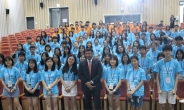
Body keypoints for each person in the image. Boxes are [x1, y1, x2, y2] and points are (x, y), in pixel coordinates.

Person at [154, 45, 182, 110]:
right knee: (162, 106)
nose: (167, 52)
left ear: (171, 52)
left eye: (169, 51)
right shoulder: (159, 63)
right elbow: (157, 76)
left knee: (171, 106)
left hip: (172, 88)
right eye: (166, 51)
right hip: (162, 88)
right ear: (163, 52)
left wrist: (175, 89)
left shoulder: (176, 63)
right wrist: (158, 88)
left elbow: (177, 76)